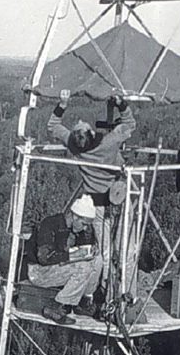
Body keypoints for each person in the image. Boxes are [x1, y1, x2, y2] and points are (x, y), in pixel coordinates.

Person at [47, 90, 137, 298]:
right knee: (127, 252)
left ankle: (107, 294)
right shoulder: (109, 142)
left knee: (104, 251)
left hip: (96, 206)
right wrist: (121, 104)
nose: (80, 121)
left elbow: (53, 126)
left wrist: (63, 103)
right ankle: (127, 296)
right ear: (91, 133)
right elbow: (130, 123)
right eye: (82, 124)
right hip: (119, 202)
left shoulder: (75, 146)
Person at [25, 195, 102, 325]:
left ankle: (83, 302)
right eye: (83, 224)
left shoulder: (78, 227)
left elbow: (86, 243)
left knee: (97, 260)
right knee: (84, 267)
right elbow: (44, 258)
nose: (85, 228)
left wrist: (91, 250)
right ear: (75, 216)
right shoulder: (50, 224)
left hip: (57, 267)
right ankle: (55, 306)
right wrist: (74, 255)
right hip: (39, 271)